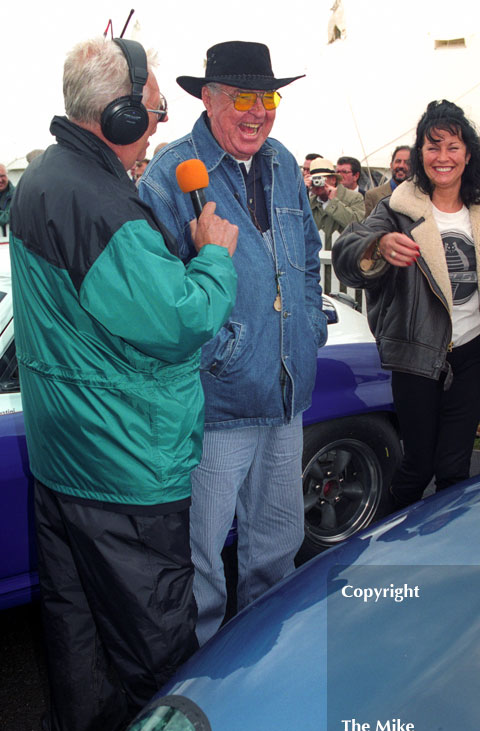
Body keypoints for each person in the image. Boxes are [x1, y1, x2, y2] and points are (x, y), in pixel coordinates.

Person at [9, 36, 238, 731]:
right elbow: (181, 319)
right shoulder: (102, 204)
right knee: (155, 640)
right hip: (126, 465)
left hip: (63, 455)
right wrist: (213, 257)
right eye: (154, 110)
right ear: (115, 114)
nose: (158, 127)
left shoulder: (42, 179)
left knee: (76, 622)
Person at [139, 40, 327, 645]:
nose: (258, 111)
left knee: (277, 549)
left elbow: (304, 255)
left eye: (267, 96)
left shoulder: (284, 162)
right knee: (201, 564)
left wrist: (309, 328)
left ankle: (263, 668)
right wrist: (221, 350)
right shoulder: (172, 173)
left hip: (286, 394)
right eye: (242, 96)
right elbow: (159, 299)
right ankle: (201, 688)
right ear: (209, 99)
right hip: (216, 403)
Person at [332, 99, 480, 509]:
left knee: (454, 468)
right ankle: (387, 550)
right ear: (420, 153)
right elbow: (347, 253)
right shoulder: (399, 208)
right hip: (416, 354)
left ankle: (445, 557)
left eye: (452, 147)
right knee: (417, 465)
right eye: (432, 146)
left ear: (468, 153)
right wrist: (377, 244)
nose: (442, 157)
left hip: (474, 355)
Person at [308, 156, 365, 249]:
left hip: (342, 256)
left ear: (333, 179)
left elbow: (357, 225)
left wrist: (333, 202)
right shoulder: (309, 202)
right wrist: (303, 191)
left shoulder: (354, 198)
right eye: (314, 180)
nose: (318, 183)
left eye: (322, 179)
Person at [364, 145, 411, 217]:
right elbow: (367, 226)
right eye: (398, 161)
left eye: (407, 162)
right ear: (391, 165)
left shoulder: (421, 195)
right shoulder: (373, 196)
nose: (401, 166)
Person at [0, 164, 14, 236]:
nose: (0, 180)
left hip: (13, 242)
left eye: (2, 176)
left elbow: (15, 215)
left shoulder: (17, 195)